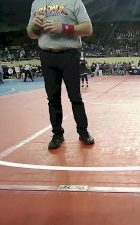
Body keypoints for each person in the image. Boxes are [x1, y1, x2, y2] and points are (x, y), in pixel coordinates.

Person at [27, 0, 95, 149]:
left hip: (69, 54)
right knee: (53, 98)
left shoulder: (74, 2)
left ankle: (83, 132)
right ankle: (57, 134)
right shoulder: (36, 3)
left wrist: (64, 27)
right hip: (46, 55)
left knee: (75, 96)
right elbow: (31, 34)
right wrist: (34, 26)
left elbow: (88, 29)